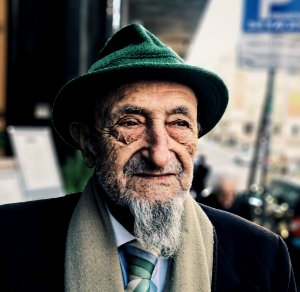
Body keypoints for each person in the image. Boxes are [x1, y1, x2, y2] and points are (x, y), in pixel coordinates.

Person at [0, 24, 296, 292]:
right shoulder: (9, 242)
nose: (159, 154)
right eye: (131, 122)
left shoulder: (262, 256)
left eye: (179, 124)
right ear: (88, 142)